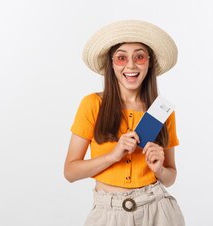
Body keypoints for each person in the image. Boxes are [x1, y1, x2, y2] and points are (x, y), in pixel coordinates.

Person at [64, 20, 185, 226]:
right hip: (108, 213)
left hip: (158, 212)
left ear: (149, 62)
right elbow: (70, 172)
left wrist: (159, 170)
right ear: (111, 63)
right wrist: (112, 156)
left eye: (139, 56)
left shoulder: (161, 111)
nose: (131, 65)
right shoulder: (93, 104)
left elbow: (170, 176)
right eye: (121, 58)